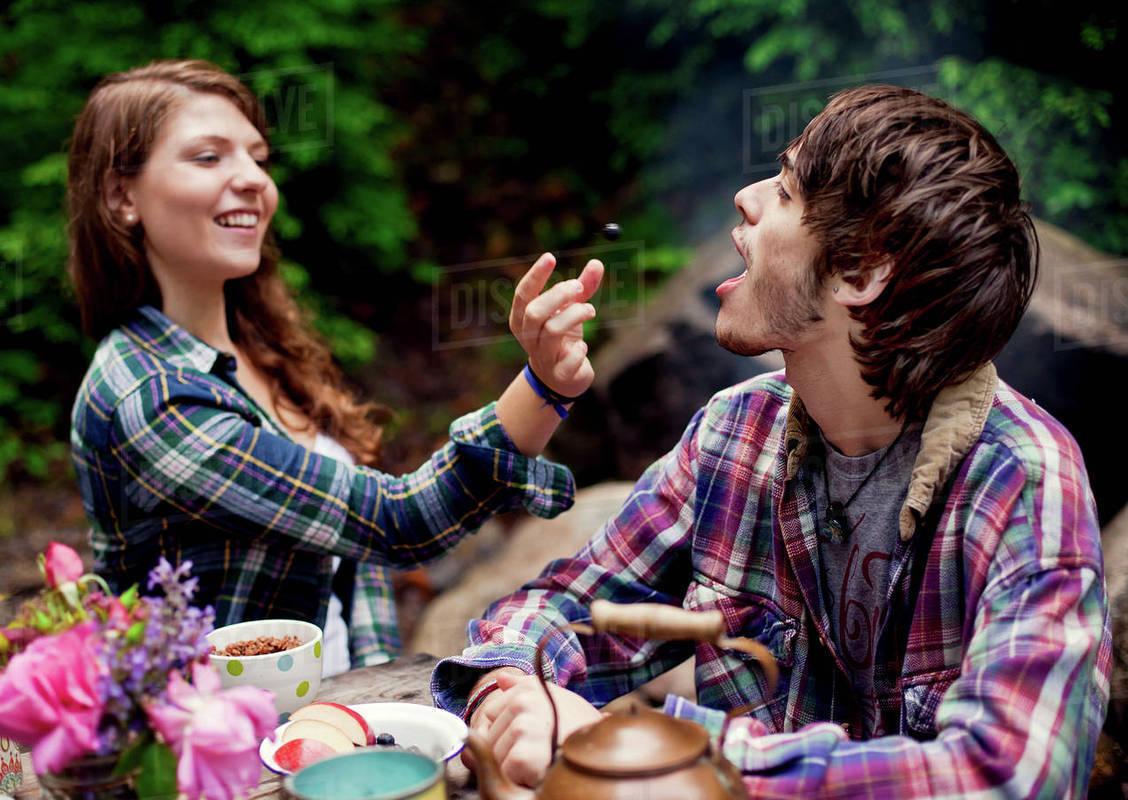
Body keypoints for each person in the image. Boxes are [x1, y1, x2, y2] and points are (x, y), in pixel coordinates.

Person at [432, 85, 1111, 797]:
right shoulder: (733, 433)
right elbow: (561, 607)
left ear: (861, 270)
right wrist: (511, 691)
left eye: (784, 192)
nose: (745, 199)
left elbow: (1007, 775)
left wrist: (672, 756)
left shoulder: (1024, 481)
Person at [66, 59, 603, 677]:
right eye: (209, 157)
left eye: (259, 158)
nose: (252, 180)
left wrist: (376, 698)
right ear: (120, 196)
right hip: (222, 750)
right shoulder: (150, 395)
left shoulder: (266, 346)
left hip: (331, 719)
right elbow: (393, 522)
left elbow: (354, 562)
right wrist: (541, 386)